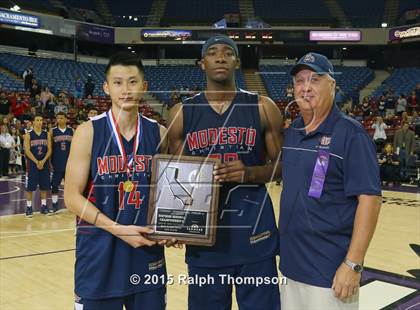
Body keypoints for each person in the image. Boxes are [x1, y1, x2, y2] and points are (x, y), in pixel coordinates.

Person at [167, 34, 283, 310]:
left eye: (228, 53)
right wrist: (173, 225)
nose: (220, 57)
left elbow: (283, 165)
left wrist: (249, 174)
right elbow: (174, 178)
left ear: (237, 62)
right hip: (205, 240)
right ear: (202, 64)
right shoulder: (181, 113)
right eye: (213, 53)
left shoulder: (263, 107)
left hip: (256, 236)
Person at [64, 52, 169, 310]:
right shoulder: (87, 132)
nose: (126, 90)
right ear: (106, 88)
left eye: (133, 82)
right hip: (98, 257)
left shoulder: (160, 133)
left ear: (144, 87)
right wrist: (117, 228)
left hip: (147, 256)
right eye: (118, 82)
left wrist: (172, 229)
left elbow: (170, 193)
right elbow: (71, 197)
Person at [279, 52, 381, 309]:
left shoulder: (351, 134)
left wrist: (353, 264)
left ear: (332, 85)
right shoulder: (292, 132)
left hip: (330, 273)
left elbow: (370, 199)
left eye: (315, 79)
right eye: (300, 81)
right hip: (291, 268)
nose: (305, 87)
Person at [24, 114, 52, 217]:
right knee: (30, 187)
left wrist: (43, 161)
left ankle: (43, 206)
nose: (39, 122)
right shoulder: (28, 135)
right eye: (37, 120)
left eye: (41, 120)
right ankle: (29, 207)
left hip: (44, 164)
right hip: (32, 164)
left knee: (44, 186)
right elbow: (27, 150)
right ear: (33, 122)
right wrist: (37, 161)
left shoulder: (47, 134)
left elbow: (49, 150)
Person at [50, 112, 73, 212]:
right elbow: (50, 148)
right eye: (58, 118)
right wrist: (50, 162)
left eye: (62, 118)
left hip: (69, 163)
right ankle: (55, 204)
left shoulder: (71, 130)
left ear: (66, 119)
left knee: (70, 186)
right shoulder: (52, 131)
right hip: (57, 162)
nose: (60, 120)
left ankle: (71, 205)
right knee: (55, 185)